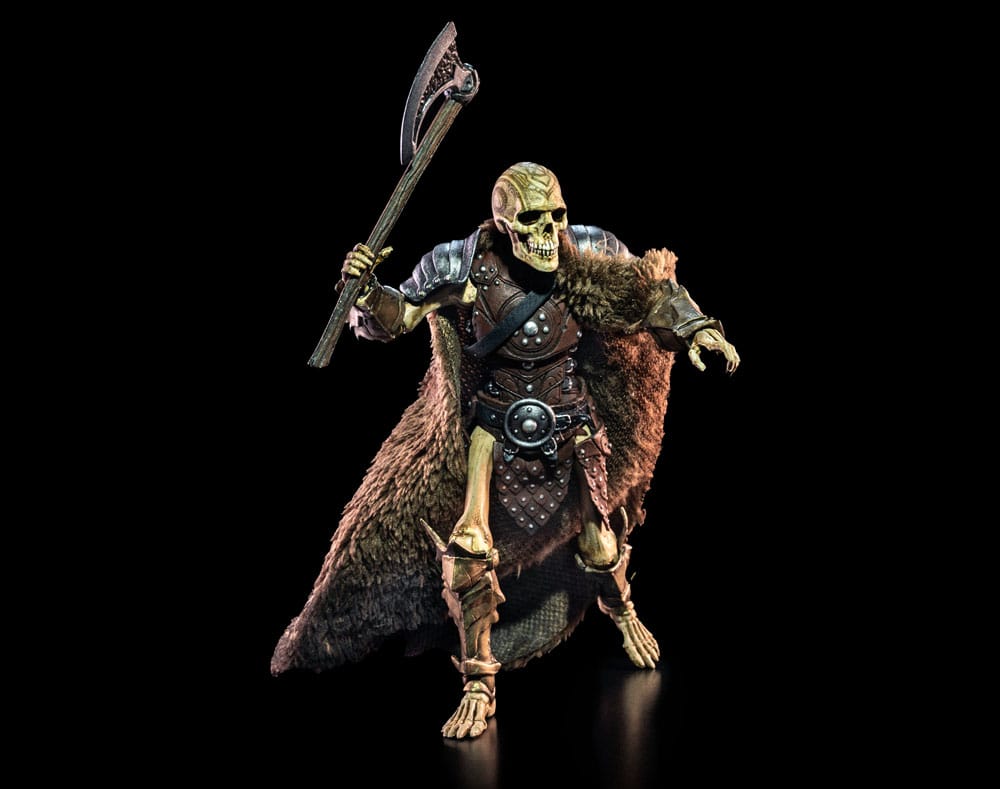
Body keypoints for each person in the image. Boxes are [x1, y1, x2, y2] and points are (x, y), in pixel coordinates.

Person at [271, 161, 740, 740]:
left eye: (556, 218)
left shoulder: (588, 250)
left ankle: (623, 613)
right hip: (492, 428)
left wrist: (696, 327)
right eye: (533, 222)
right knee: (469, 549)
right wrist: (367, 295)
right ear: (503, 224)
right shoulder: (461, 265)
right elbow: (400, 315)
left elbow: (650, 292)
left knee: (600, 539)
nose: (549, 235)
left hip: (573, 420)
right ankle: (478, 682)